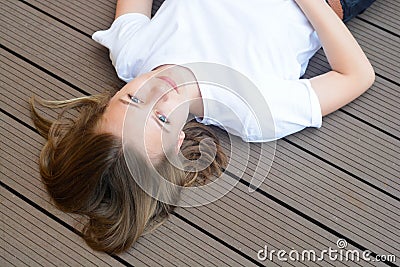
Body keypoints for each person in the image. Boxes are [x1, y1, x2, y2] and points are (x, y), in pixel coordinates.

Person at [30, 0, 376, 254]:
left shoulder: (131, 53)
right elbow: (355, 75)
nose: (156, 93)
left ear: (109, 99)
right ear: (178, 142)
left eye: (131, 100)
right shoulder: (253, 111)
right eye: (161, 119)